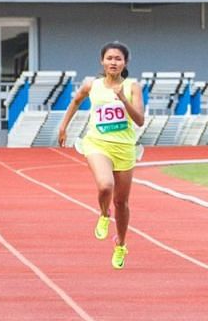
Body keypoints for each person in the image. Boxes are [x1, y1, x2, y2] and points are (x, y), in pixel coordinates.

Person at [57, 42, 145, 270]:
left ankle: (121, 244)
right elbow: (75, 101)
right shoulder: (91, 85)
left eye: (118, 59)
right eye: (109, 58)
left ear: (125, 63)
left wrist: (123, 100)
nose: (113, 62)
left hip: (125, 148)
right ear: (102, 61)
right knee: (105, 186)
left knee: (122, 202)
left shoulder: (133, 86)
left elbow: (140, 120)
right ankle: (104, 214)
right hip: (97, 143)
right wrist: (63, 126)